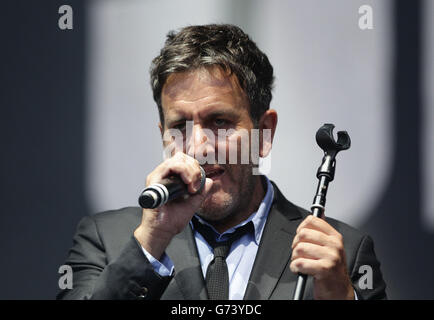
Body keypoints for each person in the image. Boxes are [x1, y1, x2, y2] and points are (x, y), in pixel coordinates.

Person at [57, 24, 387, 300]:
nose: (199, 145)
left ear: (264, 133)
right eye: (180, 127)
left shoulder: (340, 256)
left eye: (220, 122)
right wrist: (151, 242)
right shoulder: (106, 239)